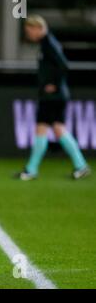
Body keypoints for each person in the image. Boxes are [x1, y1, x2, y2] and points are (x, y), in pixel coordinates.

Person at [18, 15, 91, 181]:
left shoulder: (49, 43)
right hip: (53, 95)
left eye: (30, 30)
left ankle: (33, 169)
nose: (29, 34)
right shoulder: (46, 44)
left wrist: (55, 85)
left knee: (48, 128)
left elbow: (64, 65)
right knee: (53, 128)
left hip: (53, 96)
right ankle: (78, 165)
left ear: (38, 28)